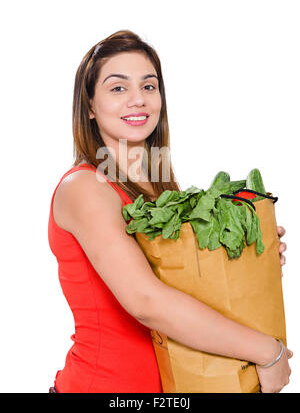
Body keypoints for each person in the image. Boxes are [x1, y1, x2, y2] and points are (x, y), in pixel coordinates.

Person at [48, 30, 292, 393]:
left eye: (149, 86)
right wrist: (266, 352)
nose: (138, 100)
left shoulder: (159, 186)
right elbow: (146, 301)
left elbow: (184, 283)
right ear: (88, 106)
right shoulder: (85, 187)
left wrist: (243, 255)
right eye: (118, 88)